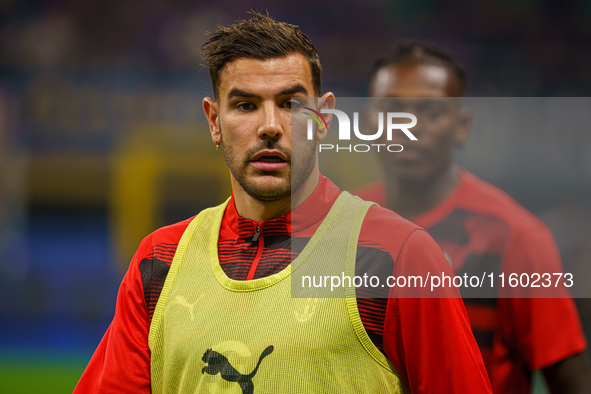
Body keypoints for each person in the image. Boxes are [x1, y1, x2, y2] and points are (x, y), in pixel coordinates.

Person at [74, 14, 491, 393]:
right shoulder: (158, 262)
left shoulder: (397, 256)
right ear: (214, 122)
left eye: (290, 104)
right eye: (245, 105)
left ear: (324, 119)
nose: (270, 126)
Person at [356, 41, 591, 393]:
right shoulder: (345, 224)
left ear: (461, 126)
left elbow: (570, 377)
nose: (408, 126)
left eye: (431, 111)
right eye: (391, 111)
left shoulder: (515, 235)